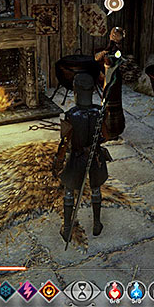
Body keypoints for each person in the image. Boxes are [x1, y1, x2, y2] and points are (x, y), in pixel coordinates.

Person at [53, 73, 112, 242]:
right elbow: (106, 136)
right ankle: (97, 224)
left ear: (76, 91)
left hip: (77, 157)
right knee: (95, 189)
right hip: (95, 156)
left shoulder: (71, 115)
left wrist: (58, 161)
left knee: (69, 190)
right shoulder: (99, 112)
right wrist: (96, 142)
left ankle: (67, 229)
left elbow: (65, 143)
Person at [94, 27, 126, 140]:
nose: (113, 36)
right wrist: (104, 52)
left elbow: (112, 60)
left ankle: (112, 131)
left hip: (114, 79)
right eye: (112, 34)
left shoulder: (118, 51)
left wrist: (106, 56)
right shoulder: (110, 48)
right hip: (109, 78)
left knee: (111, 102)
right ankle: (107, 129)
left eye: (115, 35)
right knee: (107, 102)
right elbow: (97, 58)